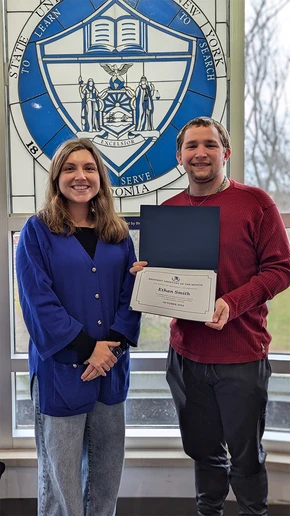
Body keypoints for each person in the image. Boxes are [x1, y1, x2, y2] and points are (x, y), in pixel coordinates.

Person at [130, 117, 290, 516]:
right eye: (191, 146)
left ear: (226, 152)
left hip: (242, 355)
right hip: (186, 357)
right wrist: (147, 277)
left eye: (210, 145)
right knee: (203, 452)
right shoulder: (168, 211)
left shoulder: (255, 202)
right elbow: (166, 278)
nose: (200, 153)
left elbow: (282, 267)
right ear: (180, 156)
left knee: (246, 456)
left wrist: (233, 304)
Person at [16, 138, 140, 516]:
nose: (80, 176)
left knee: (106, 476)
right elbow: (39, 302)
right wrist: (91, 348)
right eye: (70, 169)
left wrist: (111, 349)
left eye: (89, 168)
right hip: (62, 370)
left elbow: (130, 296)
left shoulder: (118, 233)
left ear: (100, 177)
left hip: (110, 370)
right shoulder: (37, 232)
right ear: (56, 178)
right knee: (61, 480)